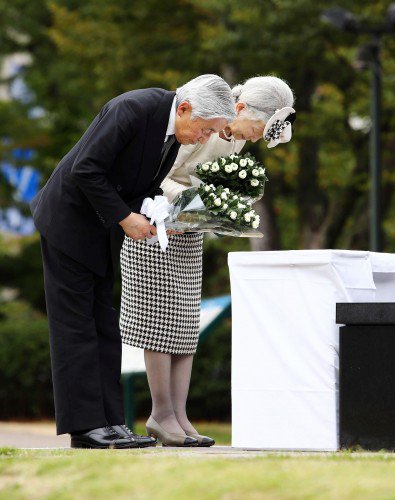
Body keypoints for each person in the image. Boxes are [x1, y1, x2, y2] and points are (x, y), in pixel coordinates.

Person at [30, 74, 236, 449]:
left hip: (100, 231)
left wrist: (163, 217)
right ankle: (86, 428)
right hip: (68, 223)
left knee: (104, 326)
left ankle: (111, 422)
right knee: (76, 327)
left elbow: (144, 186)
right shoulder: (132, 108)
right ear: (186, 109)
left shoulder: (174, 132)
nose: (204, 139)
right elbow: (86, 168)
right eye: (206, 130)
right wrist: (126, 218)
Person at [119, 75, 295, 447]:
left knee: (185, 322)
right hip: (153, 226)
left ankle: (178, 414)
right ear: (242, 109)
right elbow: (159, 171)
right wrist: (186, 203)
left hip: (190, 229)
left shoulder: (237, 141)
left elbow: (211, 180)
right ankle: (160, 412)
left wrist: (219, 208)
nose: (254, 138)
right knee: (158, 321)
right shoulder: (203, 120)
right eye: (257, 129)